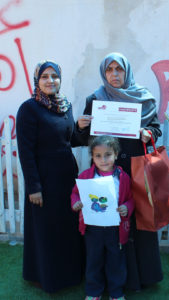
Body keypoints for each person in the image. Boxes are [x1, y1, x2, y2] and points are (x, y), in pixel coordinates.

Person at [76, 52, 163, 290]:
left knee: (137, 219)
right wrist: (80, 126)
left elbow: (155, 127)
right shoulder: (95, 99)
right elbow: (84, 138)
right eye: (109, 70)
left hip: (135, 169)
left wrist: (149, 134)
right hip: (105, 170)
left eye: (119, 69)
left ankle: (140, 277)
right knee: (107, 222)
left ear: (127, 71)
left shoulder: (143, 98)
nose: (115, 74)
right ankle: (106, 280)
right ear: (104, 73)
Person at [16, 60, 84, 293]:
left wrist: (82, 127)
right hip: (43, 180)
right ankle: (45, 277)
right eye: (44, 76)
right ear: (37, 80)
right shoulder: (29, 108)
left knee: (67, 227)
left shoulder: (65, 106)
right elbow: (25, 151)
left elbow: (72, 140)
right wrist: (33, 186)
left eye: (54, 76)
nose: (50, 81)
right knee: (46, 229)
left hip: (67, 177)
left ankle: (70, 274)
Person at [71, 135, 135, 300]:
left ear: (115, 154)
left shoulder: (123, 177)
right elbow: (75, 194)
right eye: (98, 156)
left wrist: (126, 208)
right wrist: (76, 203)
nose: (103, 159)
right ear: (92, 157)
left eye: (108, 154)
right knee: (94, 261)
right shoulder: (86, 176)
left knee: (116, 262)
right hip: (93, 230)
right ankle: (93, 292)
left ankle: (116, 292)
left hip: (116, 230)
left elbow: (130, 199)